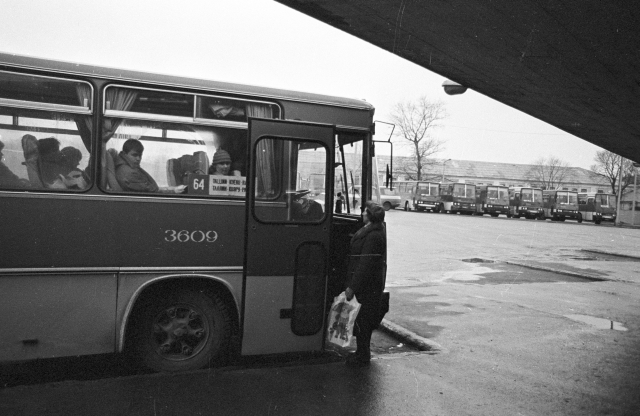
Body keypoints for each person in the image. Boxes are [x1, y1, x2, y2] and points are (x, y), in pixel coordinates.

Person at [344, 201, 387, 367]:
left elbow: (364, 264)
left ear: (370, 216)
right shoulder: (370, 231)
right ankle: (361, 352)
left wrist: (352, 287)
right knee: (362, 320)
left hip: (367, 287)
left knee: (363, 321)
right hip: (366, 286)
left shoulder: (373, 235)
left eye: (364, 212)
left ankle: (363, 355)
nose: (361, 214)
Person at [115, 139, 184, 193]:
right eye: (134, 155)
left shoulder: (130, 167)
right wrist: (174, 191)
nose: (138, 159)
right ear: (124, 154)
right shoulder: (129, 173)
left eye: (140, 155)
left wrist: (173, 189)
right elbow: (152, 191)